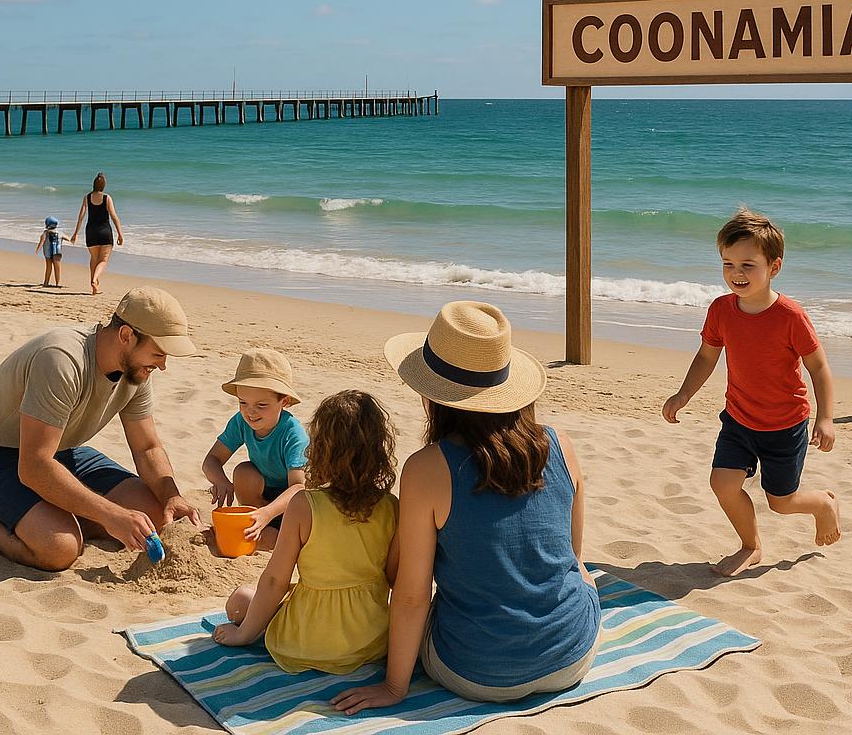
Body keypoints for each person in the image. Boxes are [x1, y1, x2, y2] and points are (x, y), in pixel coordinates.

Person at [333, 301, 601, 715]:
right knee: (581, 575)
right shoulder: (561, 444)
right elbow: (573, 557)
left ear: (432, 394)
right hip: (571, 658)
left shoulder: (426, 468)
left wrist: (393, 686)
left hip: (476, 674)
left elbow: (411, 598)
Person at [0, 287, 202, 571]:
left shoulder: (136, 371)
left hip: (57, 449)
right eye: (158, 353)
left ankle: (50, 516)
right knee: (60, 548)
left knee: (157, 517)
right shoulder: (61, 359)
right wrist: (111, 515)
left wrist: (172, 496)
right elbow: (33, 466)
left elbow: (147, 447)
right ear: (126, 336)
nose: (164, 365)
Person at [661, 208, 841, 578]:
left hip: (783, 425)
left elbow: (818, 367)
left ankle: (823, 503)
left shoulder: (790, 316)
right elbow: (706, 356)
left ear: (774, 267)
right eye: (728, 264)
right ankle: (751, 546)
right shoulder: (721, 310)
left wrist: (825, 417)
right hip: (739, 420)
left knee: (782, 502)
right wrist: (683, 395)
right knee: (722, 483)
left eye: (747, 264)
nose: (736, 274)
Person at [212, 390, 398, 676]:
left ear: (320, 449)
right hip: (370, 641)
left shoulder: (304, 505)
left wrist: (243, 635)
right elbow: (394, 577)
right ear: (379, 450)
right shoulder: (391, 506)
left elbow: (275, 580)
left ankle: (260, 632)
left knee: (239, 600)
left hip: (308, 641)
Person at [201, 349, 309, 551]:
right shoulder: (241, 422)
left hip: (291, 504)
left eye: (261, 405)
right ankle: (256, 524)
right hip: (260, 497)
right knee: (244, 472)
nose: (250, 412)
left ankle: (271, 530)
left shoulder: (293, 434)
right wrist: (221, 481)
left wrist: (268, 513)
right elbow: (211, 460)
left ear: (284, 401)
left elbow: (298, 488)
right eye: (243, 402)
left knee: (271, 541)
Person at [70, 172, 123, 295]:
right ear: (104, 185)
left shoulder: (87, 198)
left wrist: (75, 233)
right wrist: (120, 234)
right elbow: (114, 217)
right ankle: (95, 279)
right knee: (103, 260)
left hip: (91, 232)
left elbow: (81, 217)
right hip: (105, 232)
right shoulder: (107, 198)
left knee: (94, 259)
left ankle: (94, 287)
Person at [35, 215, 66, 288]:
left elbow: (42, 242)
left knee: (48, 267)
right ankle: (57, 283)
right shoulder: (60, 233)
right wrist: (74, 239)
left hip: (48, 252)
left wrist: (37, 250)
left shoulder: (45, 233)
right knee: (57, 267)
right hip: (57, 252)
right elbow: (69, 239)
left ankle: (46, 282)